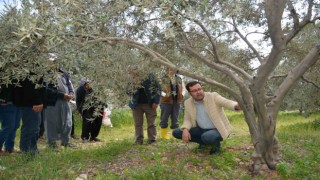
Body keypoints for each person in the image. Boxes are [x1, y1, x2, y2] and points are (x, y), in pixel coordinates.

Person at [172, 81, 241, 155]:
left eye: (199, 89)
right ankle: (204, 143)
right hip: (201, 129)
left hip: (218, 129)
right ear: (190, 93)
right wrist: (185, 129)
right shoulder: (188, 102)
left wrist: (236, 106)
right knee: (177, 132)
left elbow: (226, 102)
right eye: (194, 91)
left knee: (207, 136)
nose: (198, 92)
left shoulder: (213, 96)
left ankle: (216, 147)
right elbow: (187, 119)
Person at [126, 66, 161, 145]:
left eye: (131, 72)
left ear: (136, 70)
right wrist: (133, 86)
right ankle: (139, 140)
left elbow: (158, 89)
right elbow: (128, 92)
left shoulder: (150, 76)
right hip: (136, 104)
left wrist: (156, 101)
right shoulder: (131, 79)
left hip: (150, 104)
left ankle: (152, 140)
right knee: (138, 123)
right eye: (129, 73)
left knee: (151, 123)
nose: (130, 74)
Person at [12, 75, 45, 155]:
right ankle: (27, 152)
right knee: (30, 128)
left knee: (35, 128)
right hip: (30, 104)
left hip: (32, 103)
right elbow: (29, 88)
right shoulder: (28, 70)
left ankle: (32, 150)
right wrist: (37, 102)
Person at [44, 65, 75, 149]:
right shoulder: (46, 73)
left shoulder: (64, 73)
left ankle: (65, 142)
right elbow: (46, 89)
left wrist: (71, 93)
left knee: (68, 122)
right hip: (52, 102)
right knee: (51, 123)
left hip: (65, 101)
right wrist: (62, 95)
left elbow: (69, 85)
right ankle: (51, 144)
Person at [76, 78, 107, 143]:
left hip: (92, 107)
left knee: (99, 118)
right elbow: (87, 99)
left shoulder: (90, 89)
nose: (90, 84)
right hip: (84, 107)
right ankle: (85, 137)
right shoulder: (81, 89)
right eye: (89, 83)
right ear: (85, 83)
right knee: (88, 120)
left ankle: (93, 137)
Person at [159, 67, 184, 139]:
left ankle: (174, 134)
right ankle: (164, 135)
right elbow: (158, 89)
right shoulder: (163, 78)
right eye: (170, 70)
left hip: (176, 101)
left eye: (173, 70)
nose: (172, 71)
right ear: (167, 70)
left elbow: (182, 88)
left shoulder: (179, 78)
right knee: (164, 118)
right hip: (166, 102)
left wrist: (181, 95)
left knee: (175, 118)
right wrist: (165, 95)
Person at [0, 84, 21, 155]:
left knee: (15, 125)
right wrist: (3, 99)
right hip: (6, 100)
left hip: (17, 100)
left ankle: (9, 148)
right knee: (8, 126)